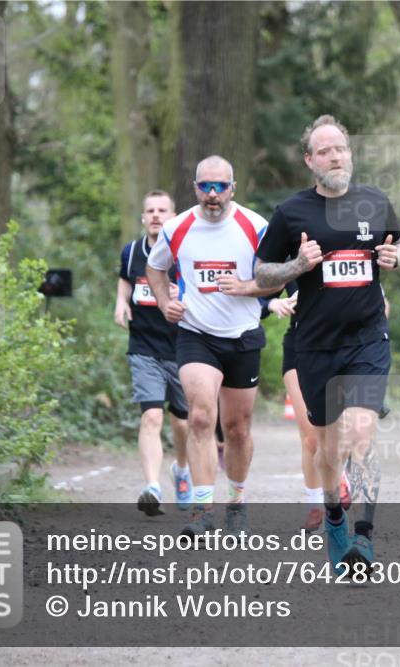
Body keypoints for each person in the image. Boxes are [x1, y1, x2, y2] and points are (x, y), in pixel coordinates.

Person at [255, 114, 400, 572]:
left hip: (367, 337)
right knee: (328, 448)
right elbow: (263, 273)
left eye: (340, 148)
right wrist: (297, 266)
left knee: (360, 433)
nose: (335, 156)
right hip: (315, 345)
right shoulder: (291, 213)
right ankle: (335, 517)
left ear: (350, 153)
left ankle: (364, 539)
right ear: (310, 161)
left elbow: (399, 246)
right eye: (324, 150)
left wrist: (394, 257)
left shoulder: (374, 201)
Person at [146, 156, 280, 538]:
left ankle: (236, 501)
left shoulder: (256, 227)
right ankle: (202, 512)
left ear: (233, 188)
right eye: (206, 186)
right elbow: (155, 268)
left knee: (237, 429)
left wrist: (249, 288)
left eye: (220, 186)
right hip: (196, 334)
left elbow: (279, 276)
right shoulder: (177, 227)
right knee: (201, 418)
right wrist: (162, 302)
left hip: (243, 335)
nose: (213, 194)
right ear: (195, 188)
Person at [115, 190, 192, 517]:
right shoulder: (132, 252)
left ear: (173, 216)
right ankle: (152, 487)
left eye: (163, 210)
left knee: (183, 423)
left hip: (183, 347)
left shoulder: (185, 252)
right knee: (151, 416)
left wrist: (182, 292)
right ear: (143, 217)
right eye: (151, 210)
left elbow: (206, 289)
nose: (157, 215)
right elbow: (125, 281)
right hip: (144, 347)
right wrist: (120, 302)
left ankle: (183, 471)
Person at [262, 284, 352, 533]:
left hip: (340, 346)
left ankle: (339, 472)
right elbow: (259, 295)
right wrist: (272, 303)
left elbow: (376, 301)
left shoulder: (346, 248)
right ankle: (316, 506)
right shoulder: (292, 254)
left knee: (338, 432)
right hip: (300, 346)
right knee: (311, 437)